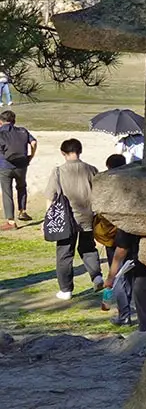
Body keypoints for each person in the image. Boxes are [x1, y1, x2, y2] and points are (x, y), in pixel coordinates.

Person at [45, 138, 103, 300]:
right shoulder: (92, 169)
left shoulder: (58, 171)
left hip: (66, 219)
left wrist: (49, 218)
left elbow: (51, 196)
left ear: (63, 153)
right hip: (88, 216)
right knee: (88, 248)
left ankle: (66, 289)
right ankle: (97, 277)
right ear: (80, 151)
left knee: (64, 253)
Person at [0, 109, 37, 229]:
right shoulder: (23, 131)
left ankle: (11, 221)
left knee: (7, 192)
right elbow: (34, 143)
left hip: (5, 166)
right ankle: (22, 211)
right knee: (21, 186)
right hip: (22, 165)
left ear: (1, 122)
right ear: (14, 121)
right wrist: (31, 156)